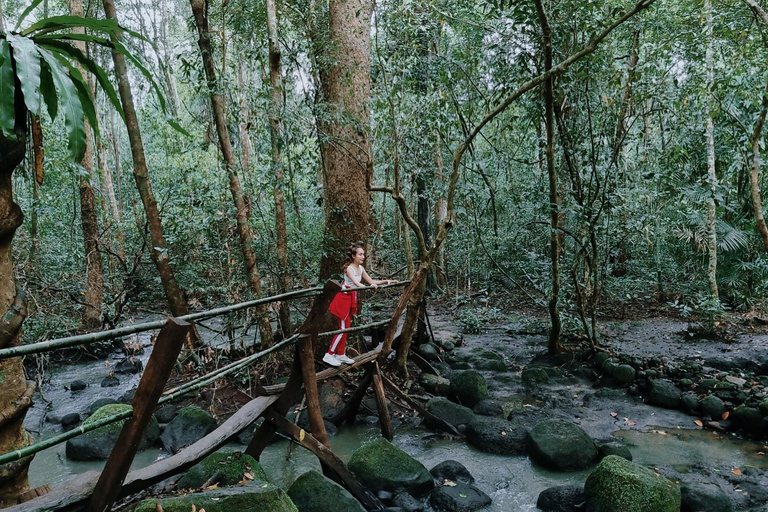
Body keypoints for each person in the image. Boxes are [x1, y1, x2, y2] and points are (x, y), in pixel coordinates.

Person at [324, 244, 396, 367]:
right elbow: (357, 283)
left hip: (351, 299)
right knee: (342, 329)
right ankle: (329, 354)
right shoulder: (349, 269)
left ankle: (340, 354)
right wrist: (369, 287)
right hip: (343, 299)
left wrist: (386, 281)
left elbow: (371, 281)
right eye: (360, 254)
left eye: (363, 254)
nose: (363, 256)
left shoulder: (361, 268)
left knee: (346, 328)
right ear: (353, 256)